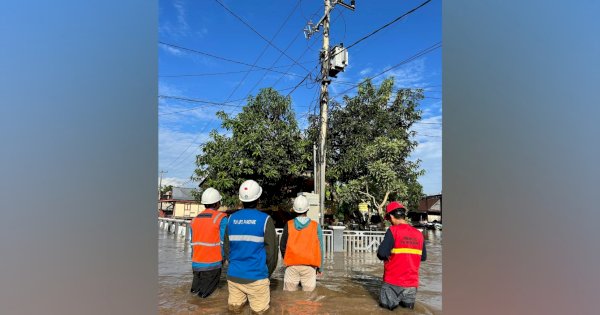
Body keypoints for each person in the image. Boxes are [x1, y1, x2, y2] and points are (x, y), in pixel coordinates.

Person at [223, 180, 278, 314]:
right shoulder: (265, 220)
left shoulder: (231, 219)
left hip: (234, 276)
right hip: (257, 277)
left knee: (234, 310)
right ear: (258, 198)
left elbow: (226, 249)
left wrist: (235, 266)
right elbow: (272, 254)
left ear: (241, 200)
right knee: (260, 312)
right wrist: (265, 273)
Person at [377, 201, 427, 310]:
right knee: (407, 312)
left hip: (392, 282)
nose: (390, 222)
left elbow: (381, 254)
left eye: (389, 219)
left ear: (391, 216)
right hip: (412, 285)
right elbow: (423, 257)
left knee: (385, 311)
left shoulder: (393, 231)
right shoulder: (419, 234)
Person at [279, 195, 324, 292]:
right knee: (309, 299)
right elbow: (321, 248)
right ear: (308, 209)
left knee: (289, 298)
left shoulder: (289, 224)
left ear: (294, 210)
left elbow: (282, 246)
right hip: (310, 267)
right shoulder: (316, 226)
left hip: (292, 266)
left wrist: (288, 258)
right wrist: (320, 268)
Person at [189, 187, 228, 298]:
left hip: (196, 264)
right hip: (213, 264)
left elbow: (192, 243)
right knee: (206, 299)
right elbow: (224, 243)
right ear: (217, 203)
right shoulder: (221, 218)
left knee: (195, 294)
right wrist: (224, 260)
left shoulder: (195, 219)